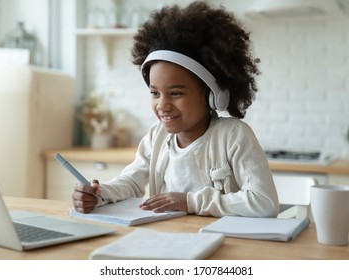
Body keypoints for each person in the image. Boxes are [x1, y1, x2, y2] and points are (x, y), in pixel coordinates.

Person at [72, 1, 279, 218]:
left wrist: (189, 202)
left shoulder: (233, 136)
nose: (162, 105)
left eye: (176, 93)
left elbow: (264, 203)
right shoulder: (156, 137)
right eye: (155, 93)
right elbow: (132, 182)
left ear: (212, 95)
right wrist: (100, 193)